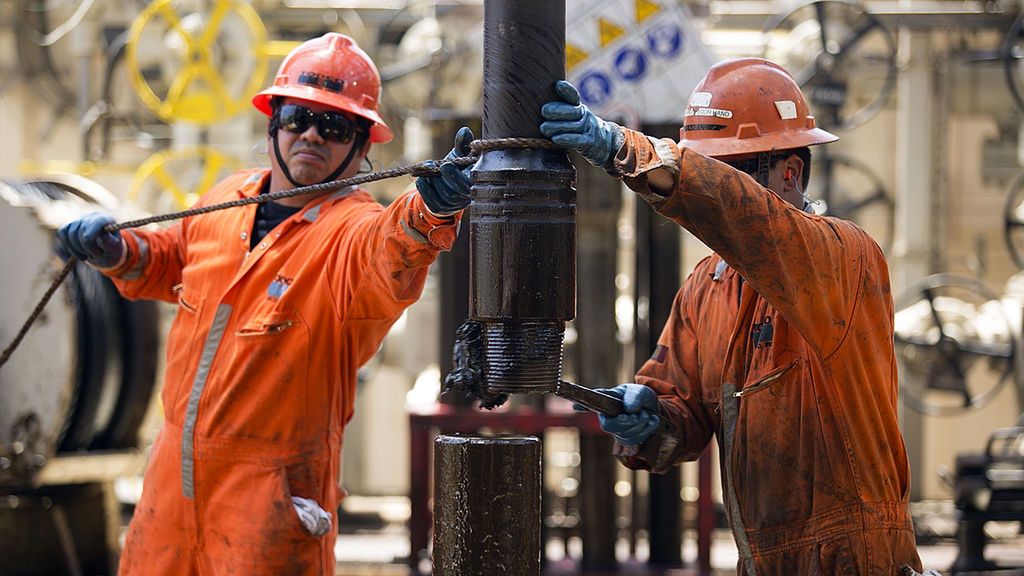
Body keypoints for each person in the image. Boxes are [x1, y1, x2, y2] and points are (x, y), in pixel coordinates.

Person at [57, 32, 473, 575]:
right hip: (169, 496)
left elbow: (389, 251)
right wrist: (117, 251)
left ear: (362, 147)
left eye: (335, 126)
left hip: (268, 507)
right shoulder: (226, 200)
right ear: (272, 123)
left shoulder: (350, 231)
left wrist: (428, 212)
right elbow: (170, 258)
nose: (312, 135)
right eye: (299, 117)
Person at [540, 58, 926, 574]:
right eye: (706, 168)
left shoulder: (845, 260)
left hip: (855, 559)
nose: (713, 190)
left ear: (790, 173)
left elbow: (755, 221)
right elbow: (682, 419)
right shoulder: (707, 287)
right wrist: (648, 421)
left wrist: (627, 151)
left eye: (729, 171)